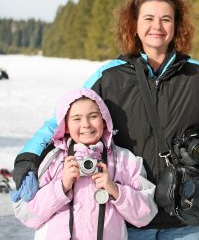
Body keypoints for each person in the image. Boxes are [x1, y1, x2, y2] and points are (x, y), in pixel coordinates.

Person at [12, 0, 199, 239]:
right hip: (128, 218)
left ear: (177, 25)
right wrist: (28, 158)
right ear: (134, 24)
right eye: (149, 18)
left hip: (190, 216)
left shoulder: (198, 75)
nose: (158, 26)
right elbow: (61, 121)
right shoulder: (109, 76)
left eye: (166, 19)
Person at [12, 88, 158, 239]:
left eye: (93, 116)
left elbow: (146, 215)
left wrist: (115, 190)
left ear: (104, 120)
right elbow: (27, 215)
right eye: (76, 118)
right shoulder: (52, 160)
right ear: (66, 126)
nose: (86, 124)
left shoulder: (124, 160)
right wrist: (62, 187)